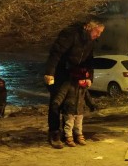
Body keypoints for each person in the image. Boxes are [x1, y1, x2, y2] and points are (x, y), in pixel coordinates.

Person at [44, 17, 105, 149]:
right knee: (56, 103)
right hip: (60, 73)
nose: (98, 35)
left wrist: (90, 78)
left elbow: (89, 60)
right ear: (89, 27)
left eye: (100, 32)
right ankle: (54, 133)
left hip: (75, 74)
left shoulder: (91, 41)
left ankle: (67, 135)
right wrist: (50, 73)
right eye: (97, 31)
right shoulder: (71, 34)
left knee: (70, 105)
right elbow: (56, 54)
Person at [51, 68, 92, 147]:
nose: (84, 81)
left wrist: (92, 104)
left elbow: (87, 97)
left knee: (78, 125)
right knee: (69, 125)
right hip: (69, 110)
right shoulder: (68, 85)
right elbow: (61, 95)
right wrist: (56, 103)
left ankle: (79, 136)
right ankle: (69, 138)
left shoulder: (83, 87)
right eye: (82, 79)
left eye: (85, 79)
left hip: (80, 110)